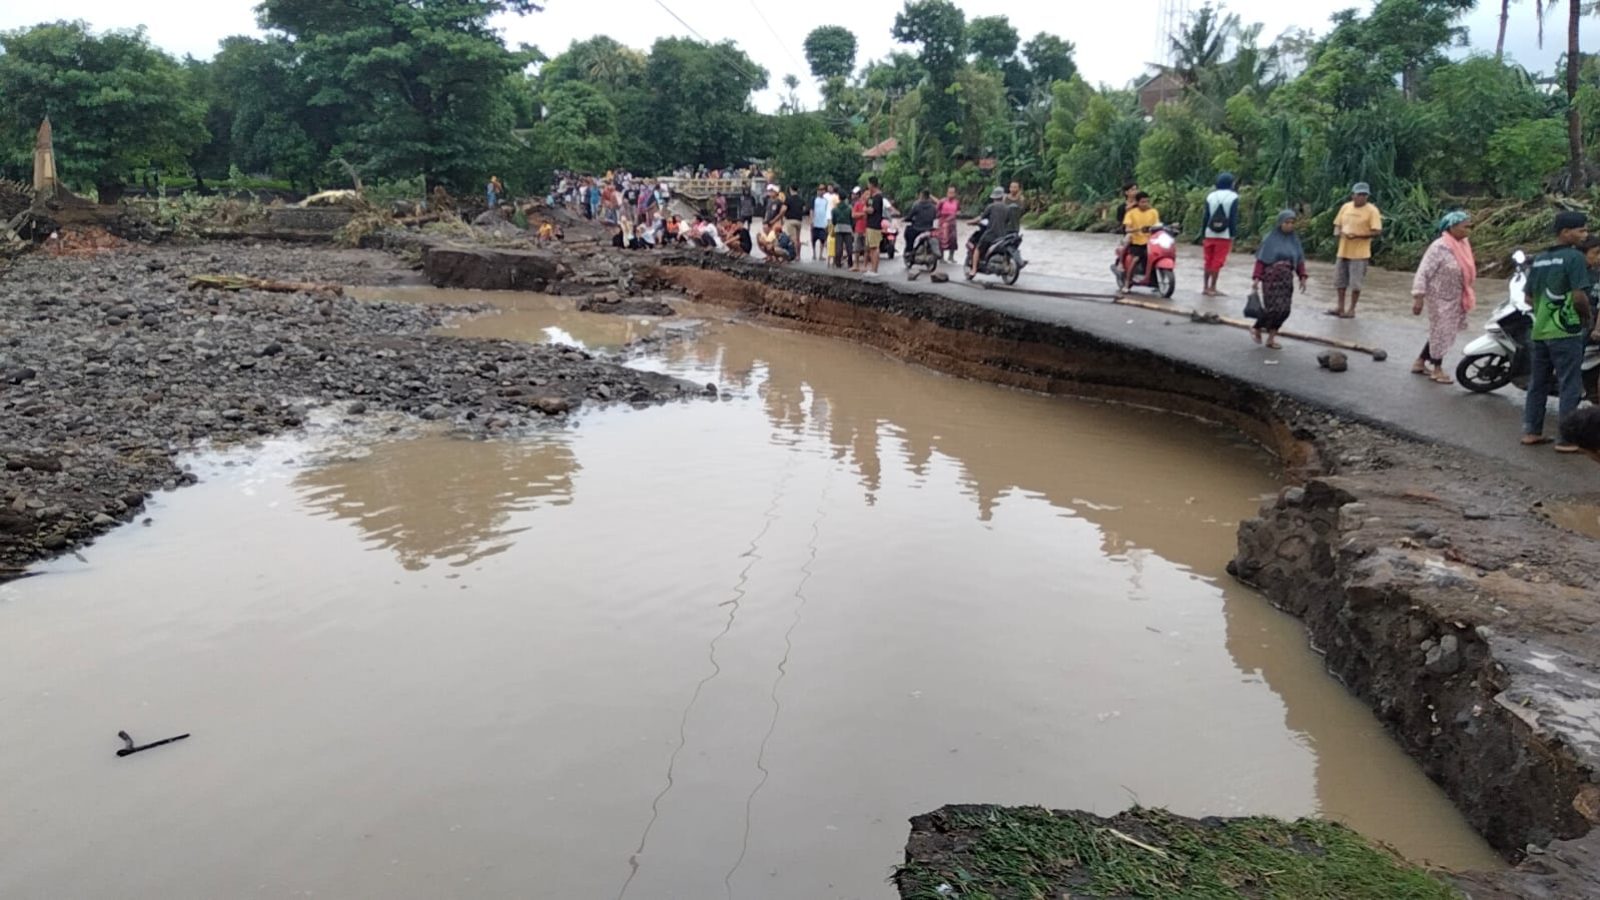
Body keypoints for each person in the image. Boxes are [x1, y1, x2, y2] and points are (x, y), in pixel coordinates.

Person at [1523, 211, 1599, 452]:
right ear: (1565, 232)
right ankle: (1567, 439)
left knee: (1538, 383)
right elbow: (1578, 295)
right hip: (1566, 332)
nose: (1585, 234)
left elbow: (1528, 298)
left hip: (1540, 330)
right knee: (1570, 384)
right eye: (1581, 230)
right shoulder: (1574, 257)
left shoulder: (1541, 258)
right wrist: (1586, 318)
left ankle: (1531, 431)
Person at [1409, 211, 1477, 384]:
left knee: (1442, 330)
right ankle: (1437, 369)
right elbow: (1423, 271)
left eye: (1470, 226)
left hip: (1456, 295)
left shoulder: (1463, 245)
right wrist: (1418, 296)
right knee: (1441, 330)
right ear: (1452, 227)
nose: (1468, 229)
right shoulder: (1439, 246)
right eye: (1465, 226)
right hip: (1439, 296)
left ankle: (1420, 361)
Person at [1249, 210, 1309, 349]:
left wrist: (1302, 276)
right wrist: (1256, 279)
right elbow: (1261, 260)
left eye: (1292, 223)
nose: (1289, 225)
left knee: (1284, 310)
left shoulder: (1295, 241)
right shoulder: (1270, 239)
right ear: (1280, 223)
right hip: (1271, 279)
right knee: (1273, 309)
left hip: (1286, 280)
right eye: (1286, 222)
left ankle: (1271, 338)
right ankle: (1257, 327)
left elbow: (1299, 260)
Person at [1331, 182, 1383, 318]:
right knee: (1340, 281)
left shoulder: (1372, 210)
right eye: (1359, 194)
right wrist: (1338, 233)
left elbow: (1377, 231)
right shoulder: (1345, 207)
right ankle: (1340, 307)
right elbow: (1337, 224)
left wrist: (1358, 235)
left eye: (1364, 195)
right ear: (1353, 195)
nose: (1362, 197)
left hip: (1360, 254)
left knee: (1356, 284)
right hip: (1343, 250)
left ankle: (1352, 309)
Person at [1202, 173, 1240, 296]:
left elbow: (1206, 217)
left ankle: (1205, 287)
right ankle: (1213, 287)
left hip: (1209, 232)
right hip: (1224, 234)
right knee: (1217, 261)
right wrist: (1233, 235)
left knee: (1208, 260)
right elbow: (1233, 218)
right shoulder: (1233, 197)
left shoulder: (1210, 196)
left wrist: (1203, 233)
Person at [1120, 192, 1161, 287]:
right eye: (1143, 202)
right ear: (1137, 202)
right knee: (1136, 259)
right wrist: (1138, 229)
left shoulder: (1153, 212)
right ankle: (1127, 282)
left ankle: (1154, 280)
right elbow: (1127, 229)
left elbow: (1157, 225)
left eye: (1147, 201)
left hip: (1151, 242)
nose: (1145, 204)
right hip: (1136, 242)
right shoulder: (1131, 213)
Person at [967, 187, 1009, 277]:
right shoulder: (1007, 208)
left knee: (978, 249)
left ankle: (974, 270)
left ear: (994, 197)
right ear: (1002, 197)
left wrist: (970, 222)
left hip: (991, 234)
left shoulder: (991, 207)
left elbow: (981, 218)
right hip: (1003, 235)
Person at [906, 189, 938, 258]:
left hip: (917, 229)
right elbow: (935, 217)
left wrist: (905, 219)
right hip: (929, 229)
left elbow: (909, 216)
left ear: (922, 196)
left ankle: (909, 250)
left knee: (908, 232)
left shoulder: (917, 206)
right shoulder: (933, 207)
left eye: (920, 196)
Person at [864, 177, 886, 274]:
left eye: (868, 184)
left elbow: (872, 210)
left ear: (872, 184)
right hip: (870, 224)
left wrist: (865, 209)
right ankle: (872, 269)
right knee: (871, 247)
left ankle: (875, 270)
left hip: (875, 225)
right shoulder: (871, 197)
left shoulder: (878, 197)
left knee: (875, 247)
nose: (867, 186)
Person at [832, 188, 855, 269]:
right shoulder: (849, 208)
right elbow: (852, 220)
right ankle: (850, 262)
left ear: (839, 197)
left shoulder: (835, 209)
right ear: (845, 198)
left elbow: (834, 221)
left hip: (838, 228)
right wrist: (852, 227)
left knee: (838, 246)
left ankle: (838, 262)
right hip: (848, 228)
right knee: (849, 246)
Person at [937, 186, 960, 263]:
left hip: (952, 224)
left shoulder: (956, 202)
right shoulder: (942, 201)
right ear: (947, 193)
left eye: (953, 193)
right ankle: (941, 258)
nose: (951, 194)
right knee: (942, 240)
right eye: (950, 192)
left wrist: (956, 214)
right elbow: (937, 211)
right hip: (943, 223)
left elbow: (958, 211)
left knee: (953, 239)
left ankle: (951, 257)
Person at [784, 184, 807, 260]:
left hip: (790, 220)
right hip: (799, 221)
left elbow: (784, 209)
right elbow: (804, 209)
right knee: (798, 238)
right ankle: (799, 255)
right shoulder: (801, 199)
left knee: (793, 239)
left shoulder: (788, 199)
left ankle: (795, 255)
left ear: (790, 189)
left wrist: (783, 216)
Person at [811, 184, 830, 262]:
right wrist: (812, 220)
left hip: (823, 223)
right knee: (813, 239)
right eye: (819, 190)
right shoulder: (814, 199)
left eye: (822, 190)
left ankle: (820, 255)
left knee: (822, 239)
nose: (821, 191)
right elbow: (811, 210)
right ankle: (814, 254)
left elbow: (827, 211)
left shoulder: (826, 201)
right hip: (815, 222)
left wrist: (827, 222)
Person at [851, 187, 868, 272]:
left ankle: (864, 266)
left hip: (867, 229)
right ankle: (856, 265)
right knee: (856, 248)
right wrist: (862, 214)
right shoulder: (857, 204)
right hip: (858, 228)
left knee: (866, 249)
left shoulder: (869, 204)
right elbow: (853, 215)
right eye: (865, 194)